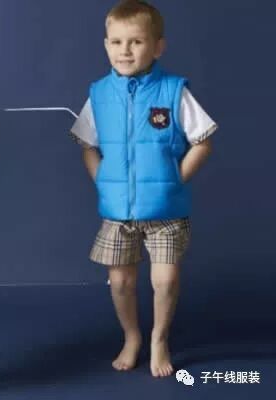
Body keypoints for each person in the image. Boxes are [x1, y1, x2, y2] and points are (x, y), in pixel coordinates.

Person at [70, 0, 217, 377]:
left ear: (157, 46)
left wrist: (175, 179)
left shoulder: (173, 91)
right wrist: (103, 182)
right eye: (117, 42)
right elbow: (87, 145)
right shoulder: (99, 94)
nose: (125, 50)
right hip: (117, 213)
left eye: (136, 42)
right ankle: (132, 335)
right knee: (121, 281)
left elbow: (202, 141)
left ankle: (159, 338)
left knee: (165, 280)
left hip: (166, 211)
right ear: (106, 45)